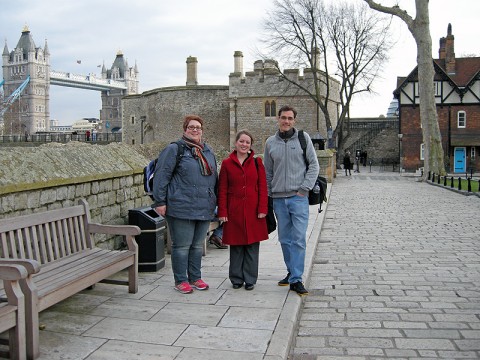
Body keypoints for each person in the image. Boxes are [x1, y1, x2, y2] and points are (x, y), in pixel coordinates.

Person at [152, 115, 218, 294]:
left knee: (197, 245)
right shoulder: (175, 149)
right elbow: (162, 175)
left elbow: (214, 179)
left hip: (203, 206)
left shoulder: (208, 151)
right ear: (185, 130)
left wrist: (215, 202)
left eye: (198, 127)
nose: (195, 130)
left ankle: (195, 277)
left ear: (202, 131)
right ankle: (181, 280)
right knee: (181, 246)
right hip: (181, 205)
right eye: (191, 127)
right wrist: (160, 201)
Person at [264, 105, 319, 296]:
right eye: (283, 118)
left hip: (298, 198)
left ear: (294, 120)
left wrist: (304, 189)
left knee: (298, 239)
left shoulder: (304, 139)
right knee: (285, 240)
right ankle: (291, 271)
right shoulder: (270, 142)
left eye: (290, 118)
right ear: (278, 119)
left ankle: (296, 279)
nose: (286, 121)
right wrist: (269, 195)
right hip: (279, 199)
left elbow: (314, 166)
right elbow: (267, 172)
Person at [217, 130, 268, 291]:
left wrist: (262, 208)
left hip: (254, 210)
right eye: (242, 141)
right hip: (234, 210)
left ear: (250, 145)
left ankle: (250, 279)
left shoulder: (257, 162)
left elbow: (262, 187)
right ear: (236, 143)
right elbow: (222, 189)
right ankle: (236, 278)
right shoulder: (226, 163)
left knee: (252, 246)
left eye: (247, 142)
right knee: (236, 246)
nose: (244, 144)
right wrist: (223, 212)